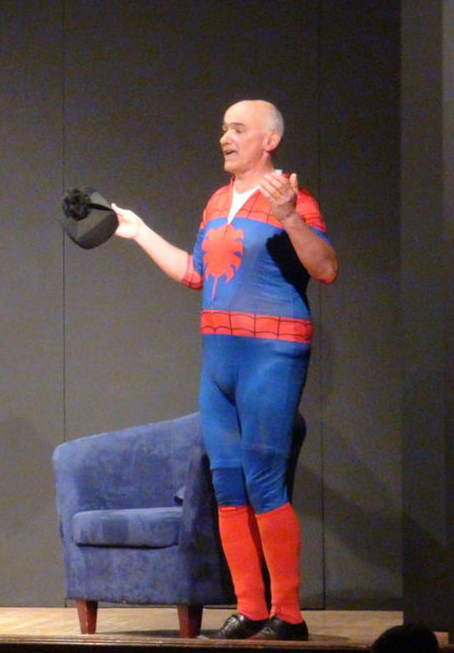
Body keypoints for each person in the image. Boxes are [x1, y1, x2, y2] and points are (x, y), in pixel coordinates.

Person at [112, 100, 337, 641]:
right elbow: (196, 273)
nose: (225, 138)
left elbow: (326, 268)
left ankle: (288, 615)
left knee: (263, 479)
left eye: (238, 129)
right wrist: (140, 232)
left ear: (270, 140)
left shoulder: (293, 199)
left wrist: (288, 216)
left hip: (271, 354)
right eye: (223, 128)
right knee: (227, 481)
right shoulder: (217, 200)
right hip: (219, 357)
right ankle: (250, 607)